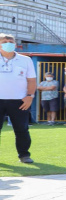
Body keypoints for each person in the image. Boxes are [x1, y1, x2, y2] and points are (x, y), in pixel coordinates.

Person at [0, 33, 36, 163]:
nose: (8, 43)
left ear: (15, 44)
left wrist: (30, 96)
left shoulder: (25, 60)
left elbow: (31, 80)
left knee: (22, 129)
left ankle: (24, 155)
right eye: (5, 41)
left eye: (11, 41)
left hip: (20, 101)